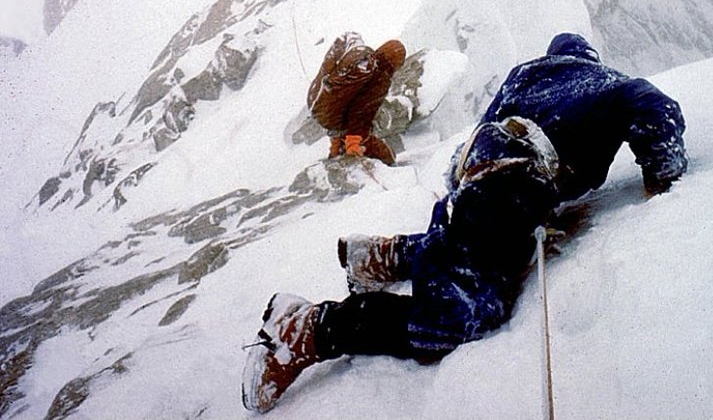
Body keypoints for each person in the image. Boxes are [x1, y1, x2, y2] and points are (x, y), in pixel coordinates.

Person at [242, 32, 687, 413]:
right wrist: (661, 177)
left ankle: (381, 256)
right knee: (455, 315)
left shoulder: (526, 74)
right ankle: (308, 330)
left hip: (477, 170)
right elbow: (656, 108)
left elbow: (488, 131)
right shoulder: (605, 85)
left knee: (463, 247)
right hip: (512, 181)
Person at [306, 31, 407, 166]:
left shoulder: (363, 62)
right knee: (386, 155)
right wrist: (354, 141)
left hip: (318, 103)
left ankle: (337, 150)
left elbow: (343, 97)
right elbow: (361, 112)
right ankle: (389, 168)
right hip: (336, 119)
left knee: (342, 136)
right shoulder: (381, 77)